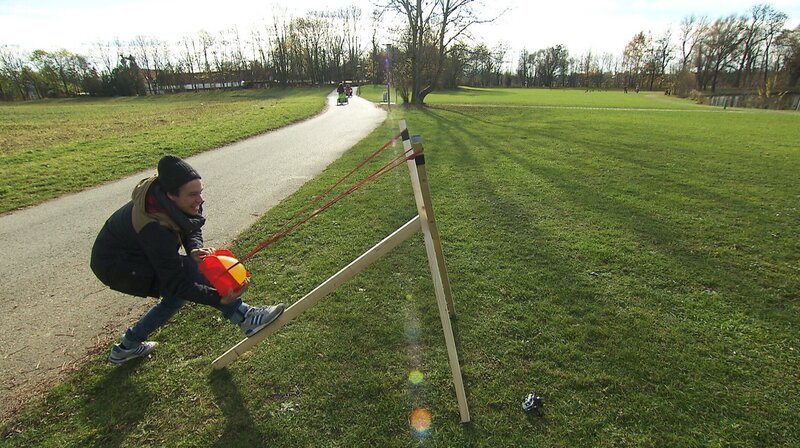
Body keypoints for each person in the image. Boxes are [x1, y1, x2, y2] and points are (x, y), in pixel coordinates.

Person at [91, 155, 284, 363]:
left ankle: (127, 346)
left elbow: (191, 225)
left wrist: (194, 249)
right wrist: (218, 298)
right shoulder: (153, 227)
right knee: (185, 276)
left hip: (140, 253)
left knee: (178, 292)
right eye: (193, 195)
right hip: (116, 264)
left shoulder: (179, 200)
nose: (199, 200)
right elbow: (177, 281)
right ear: (171, 196)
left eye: (200, 192)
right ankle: (245, 317)